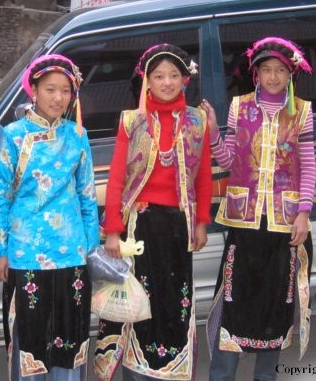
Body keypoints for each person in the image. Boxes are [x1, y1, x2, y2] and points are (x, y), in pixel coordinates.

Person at [200, 37, 316, 381]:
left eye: (281, 70)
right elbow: (230, 161)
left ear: (290, 74)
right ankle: (222, 374)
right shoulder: (240, 107)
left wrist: (304, 213)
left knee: (276, 302)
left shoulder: (302, 112)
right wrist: (211, 133)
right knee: (234, 299)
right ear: (255, 74)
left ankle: (266, 375)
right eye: (267, 70)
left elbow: (308, 165)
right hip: (244, 222)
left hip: (283, 224)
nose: (274, 77)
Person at [94, 43, 212, 381]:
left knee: (174, 304)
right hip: (138, 228)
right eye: (159, 76)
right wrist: (113, 230)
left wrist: (201, 223)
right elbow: (117, 177)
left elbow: (203, 176)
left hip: (177, 226)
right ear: (147, 81)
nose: (167, 82)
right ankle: (134, 371)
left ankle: (169, 370)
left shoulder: (196, 120)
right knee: (136, 304)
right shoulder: (132, 120)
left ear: (185, 79)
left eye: (174, 75)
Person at [0, 53, 99, 380]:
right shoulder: (12, 135)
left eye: (65, 91)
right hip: (25, 253)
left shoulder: (77, 135)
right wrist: (1, 250)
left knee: (69, 337)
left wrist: (91, 247)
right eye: (50, 89)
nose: (58, 97)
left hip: (71, 252)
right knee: (31, 337)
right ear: (33, 90)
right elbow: (1, 197)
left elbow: (87, 195)